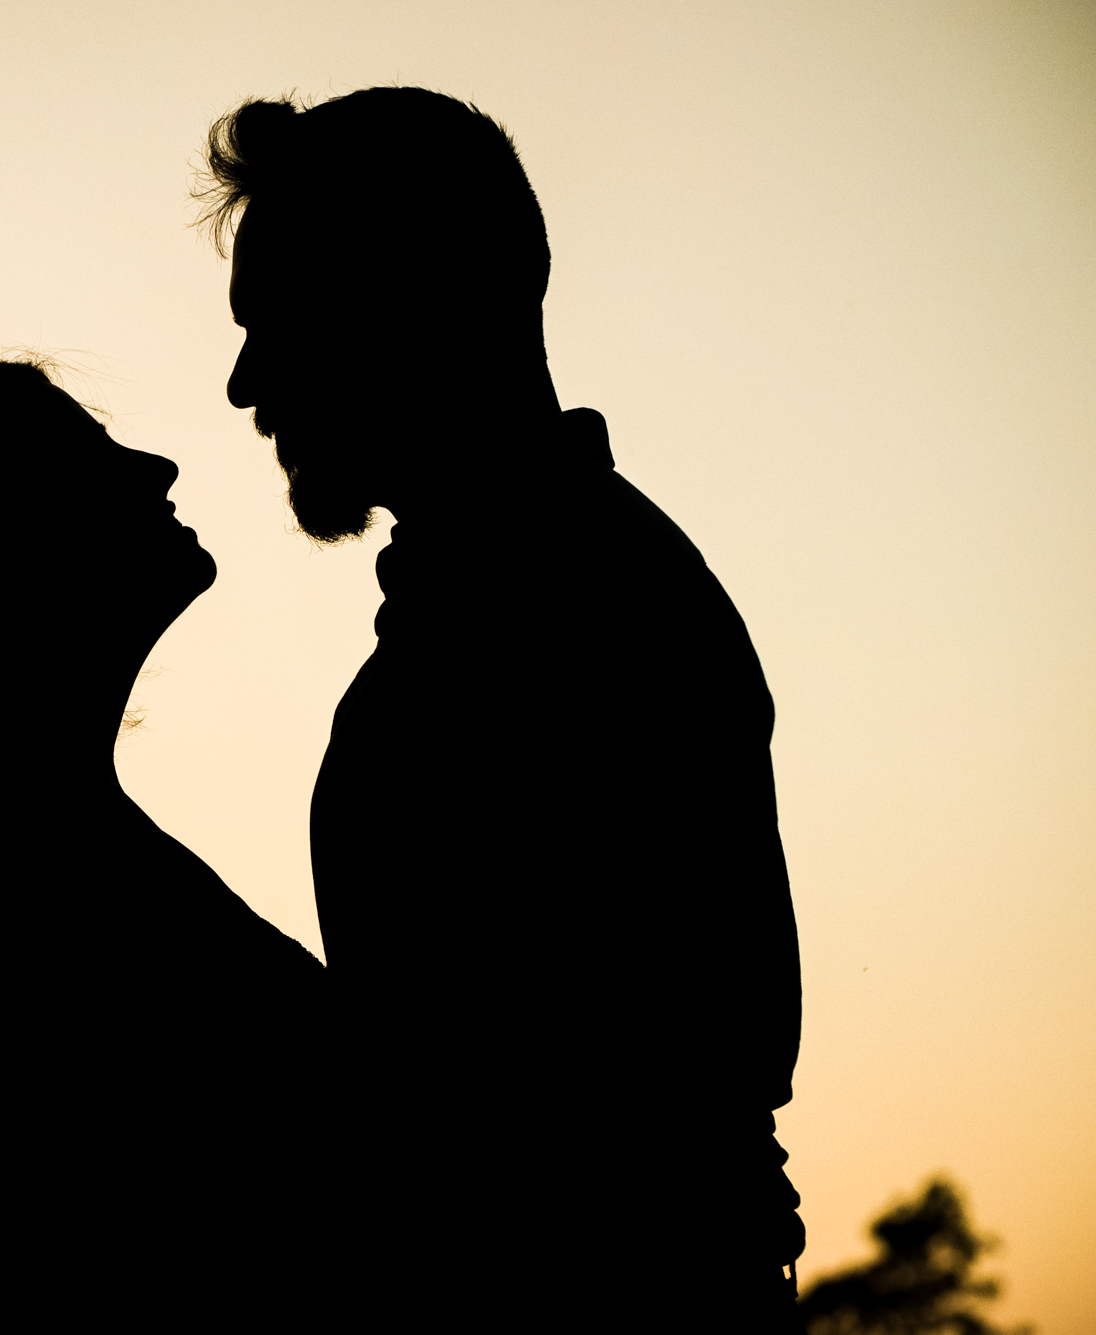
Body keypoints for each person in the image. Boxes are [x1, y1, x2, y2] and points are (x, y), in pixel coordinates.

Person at [199, 88, 805, 1329]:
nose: (243, 382)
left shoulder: (575, 615)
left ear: (413, 300)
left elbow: (534, 1125)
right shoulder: (527, 603)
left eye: (278, 322)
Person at [0, 359, 331, 1332]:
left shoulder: (41, 847)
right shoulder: (16, 881)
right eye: (94, 461)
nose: (156, 467)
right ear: (8, 554)